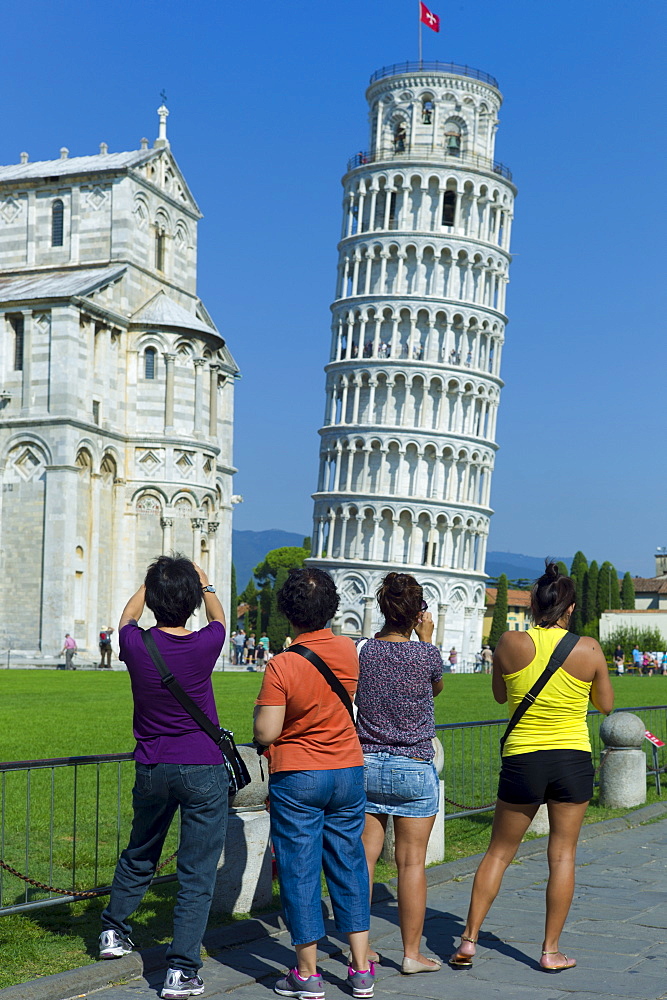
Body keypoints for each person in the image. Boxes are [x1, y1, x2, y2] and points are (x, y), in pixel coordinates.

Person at [450, 561, 614, 973]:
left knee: (499, 853)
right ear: (570, 608)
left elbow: (500, 696)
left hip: (524, 757)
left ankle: (468, 939)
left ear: (535, 605)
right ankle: (550, 949)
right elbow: (606, 706)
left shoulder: (509, 642)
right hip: (572, 758)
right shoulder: (589, 648)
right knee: (562, 856)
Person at [99, 555, 228, 1000]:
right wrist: (205, 584)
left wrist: (148, 585)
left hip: (152, 764)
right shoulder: (205, 643)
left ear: (154, 600)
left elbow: (127, 618)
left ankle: (113, 930)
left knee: (141, 849)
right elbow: (219, 618)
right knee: (196, 872)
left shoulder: (136, 645)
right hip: (202, 766)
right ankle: (181, 970)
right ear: (192, 601)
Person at [253, 568, 373, 999]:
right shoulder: (349, 650)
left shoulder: (282, 664)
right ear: (332, 608)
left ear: (288, 611)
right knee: (349, 863)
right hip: (347, 769)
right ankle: (361, 968)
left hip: (300, 773)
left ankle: (307, 973)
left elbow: (267, 731)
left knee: (300, 869)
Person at [356, 572, 444, 974]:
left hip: (368, 761)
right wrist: (426, 637)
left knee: (364, 859)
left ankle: (362, 947)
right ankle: (411, 954)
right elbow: (435, 688)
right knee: (411, 865)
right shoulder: (426, 654)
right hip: (413, 763)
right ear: (417, 612)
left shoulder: (364, 651)